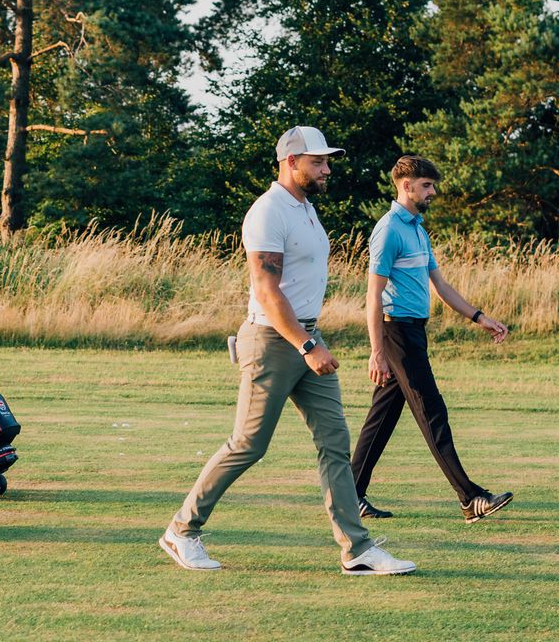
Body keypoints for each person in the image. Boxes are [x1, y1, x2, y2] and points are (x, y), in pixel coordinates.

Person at [160, 126, 416, 576]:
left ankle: (356, 549)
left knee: (335, 443)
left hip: (306, 337)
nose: (326, 168)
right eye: (317, 161)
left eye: (326, 161)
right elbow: (266, 288)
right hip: (274, 341)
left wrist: (311, 338)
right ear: (290, 160)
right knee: (248, 444)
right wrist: (307, 344)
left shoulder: (306, 209)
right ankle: (182, 531)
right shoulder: (267, 211)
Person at [350, 155, 514, 524]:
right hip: (396, 333)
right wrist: (377, 352)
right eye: (426, 185)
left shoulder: (418, 230)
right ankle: (470, 498)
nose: (433, 191)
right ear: (406, 186)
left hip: (413, 332)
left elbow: (440, 285)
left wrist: (479, 317)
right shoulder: (389, 229)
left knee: (383, 417)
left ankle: (350, 495)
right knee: (431, 411)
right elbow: (372, 296)